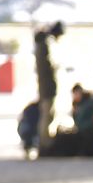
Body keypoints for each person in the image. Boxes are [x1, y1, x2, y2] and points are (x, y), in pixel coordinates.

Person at [33, 21, 64, 154]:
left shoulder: (42, 43)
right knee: (48, 116)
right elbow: (49, 65)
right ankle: (45, 144)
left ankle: (45, 143)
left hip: (45, 86)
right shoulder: (47, 44)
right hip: (48, 87)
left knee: (48, 115)